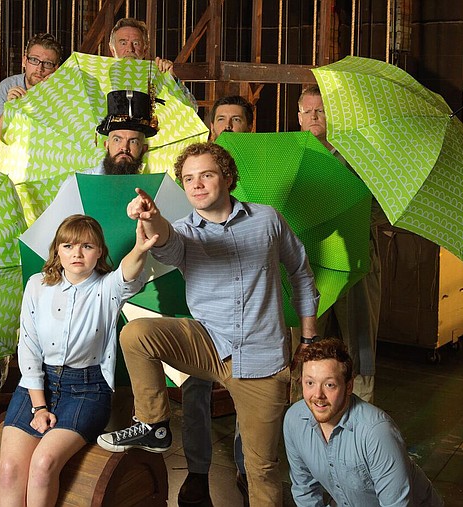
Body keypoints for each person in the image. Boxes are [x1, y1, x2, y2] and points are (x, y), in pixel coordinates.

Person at [97, 142, 320, 506]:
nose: (197, 184)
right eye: (188, 179)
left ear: (228, 178)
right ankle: (154, 425)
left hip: (262, 359)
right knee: (136, 334)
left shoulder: (268, 219)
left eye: (206, 175)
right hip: (209, 344)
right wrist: (149, 216)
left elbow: (300, 272)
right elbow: (165, 241)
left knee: (261, 469)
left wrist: (308, 341)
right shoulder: (184, 231)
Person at [0, 214, 157, 507]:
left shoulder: (107, 288)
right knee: (8, 470)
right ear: (57, 250)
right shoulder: (36, 286)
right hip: (37, 385)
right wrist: (39, 406)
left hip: (87, 389)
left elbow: (128, 274)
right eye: (68, 246)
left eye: (87, 246)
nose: (77, 254)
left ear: (99, 252)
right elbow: (29, 347)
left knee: (44, 463)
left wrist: (141, 248)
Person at [179, 95, 255, 505]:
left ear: (249, 127)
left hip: (254, 303)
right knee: (196, 388)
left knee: (251, 389)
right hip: (205, 305)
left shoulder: (260, 172)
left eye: (237, 119)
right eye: (221, 119)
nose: (228, 125)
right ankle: (196, 471)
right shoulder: (197, 174)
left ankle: (246, 468)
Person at [297, 84, 386, 403]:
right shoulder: (294, 157)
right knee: (309, 344)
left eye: (320, 111)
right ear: (299, 117)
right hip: (311, 269)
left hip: (355, 268)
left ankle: (357, 421)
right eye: (307, 111)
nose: (313, 116)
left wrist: (345, 210)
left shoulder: (361, 160)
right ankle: (309, 419)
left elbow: (382, 209)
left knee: (357, 347)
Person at [284, 338, 443, 506]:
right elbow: (305, 491)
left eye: (329, 385)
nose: (318, 395)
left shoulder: (377, 432)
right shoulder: (295, 420)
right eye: (310, 383)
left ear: (349, 386)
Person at [108, 18, 197, 110]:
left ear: (145, 49)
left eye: (136, 43)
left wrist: (172, 80)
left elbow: (192, 109)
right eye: (123, 43)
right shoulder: (101, 77)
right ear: (112, 49)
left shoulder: (157, 76)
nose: (130, 49)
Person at [0, 33, 63, 144]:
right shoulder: (6, 86)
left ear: (56, 68)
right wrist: (11, 107)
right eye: (34, 60)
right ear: (24, 61)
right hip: (16, 153)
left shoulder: (62, 91)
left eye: (47, 63)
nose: (39, 68)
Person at [85, 89, 158, 175]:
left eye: (133, 141)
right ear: (106, 145)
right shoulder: (79, 184)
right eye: (117, 140)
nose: (124, 148)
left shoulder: (152, 187)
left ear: (144, 149)